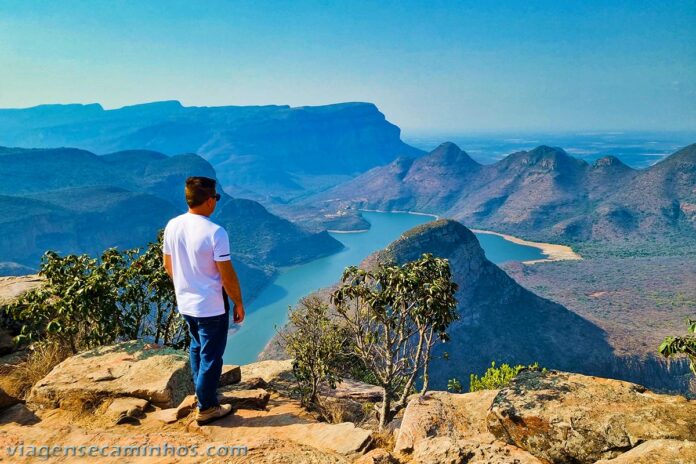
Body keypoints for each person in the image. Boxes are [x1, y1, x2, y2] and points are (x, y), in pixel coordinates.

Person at [162, 176, 245, 425]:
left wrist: (188, 285)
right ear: (209, 201)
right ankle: (207, 406)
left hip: (186, 303)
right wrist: (238, 302)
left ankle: (202, 396)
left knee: (197, 347)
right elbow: (226, 274)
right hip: (210, 306)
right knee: (212, 356)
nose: (216, 202)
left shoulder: (172, 226)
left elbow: (168, 266)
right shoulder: (215, 232)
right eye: (216, 198)